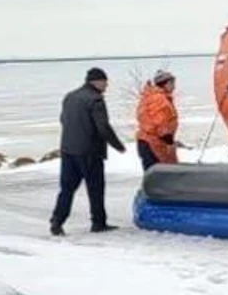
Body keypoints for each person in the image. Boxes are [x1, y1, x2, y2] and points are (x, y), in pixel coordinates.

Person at [49, 67, 125, 236]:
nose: (107, 85)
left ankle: (57, 221)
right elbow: (103, 127)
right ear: (96, 81)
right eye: (105, 82)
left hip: (68, 150)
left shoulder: (70, 97)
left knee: (67, 188)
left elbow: (63, 120)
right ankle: (98, 223)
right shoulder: (95, 100)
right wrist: (118, 145)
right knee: (95, 188)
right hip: (89, 151)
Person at [135, 70, 180, 169]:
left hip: (146, 141)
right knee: (161, 176)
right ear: (165, 83)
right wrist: (169, 142)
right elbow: (161, 123)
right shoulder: (159, 99)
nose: (174, 87)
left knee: (153, 175)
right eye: (172, 83)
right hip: (154, 144)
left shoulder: (149, 96)